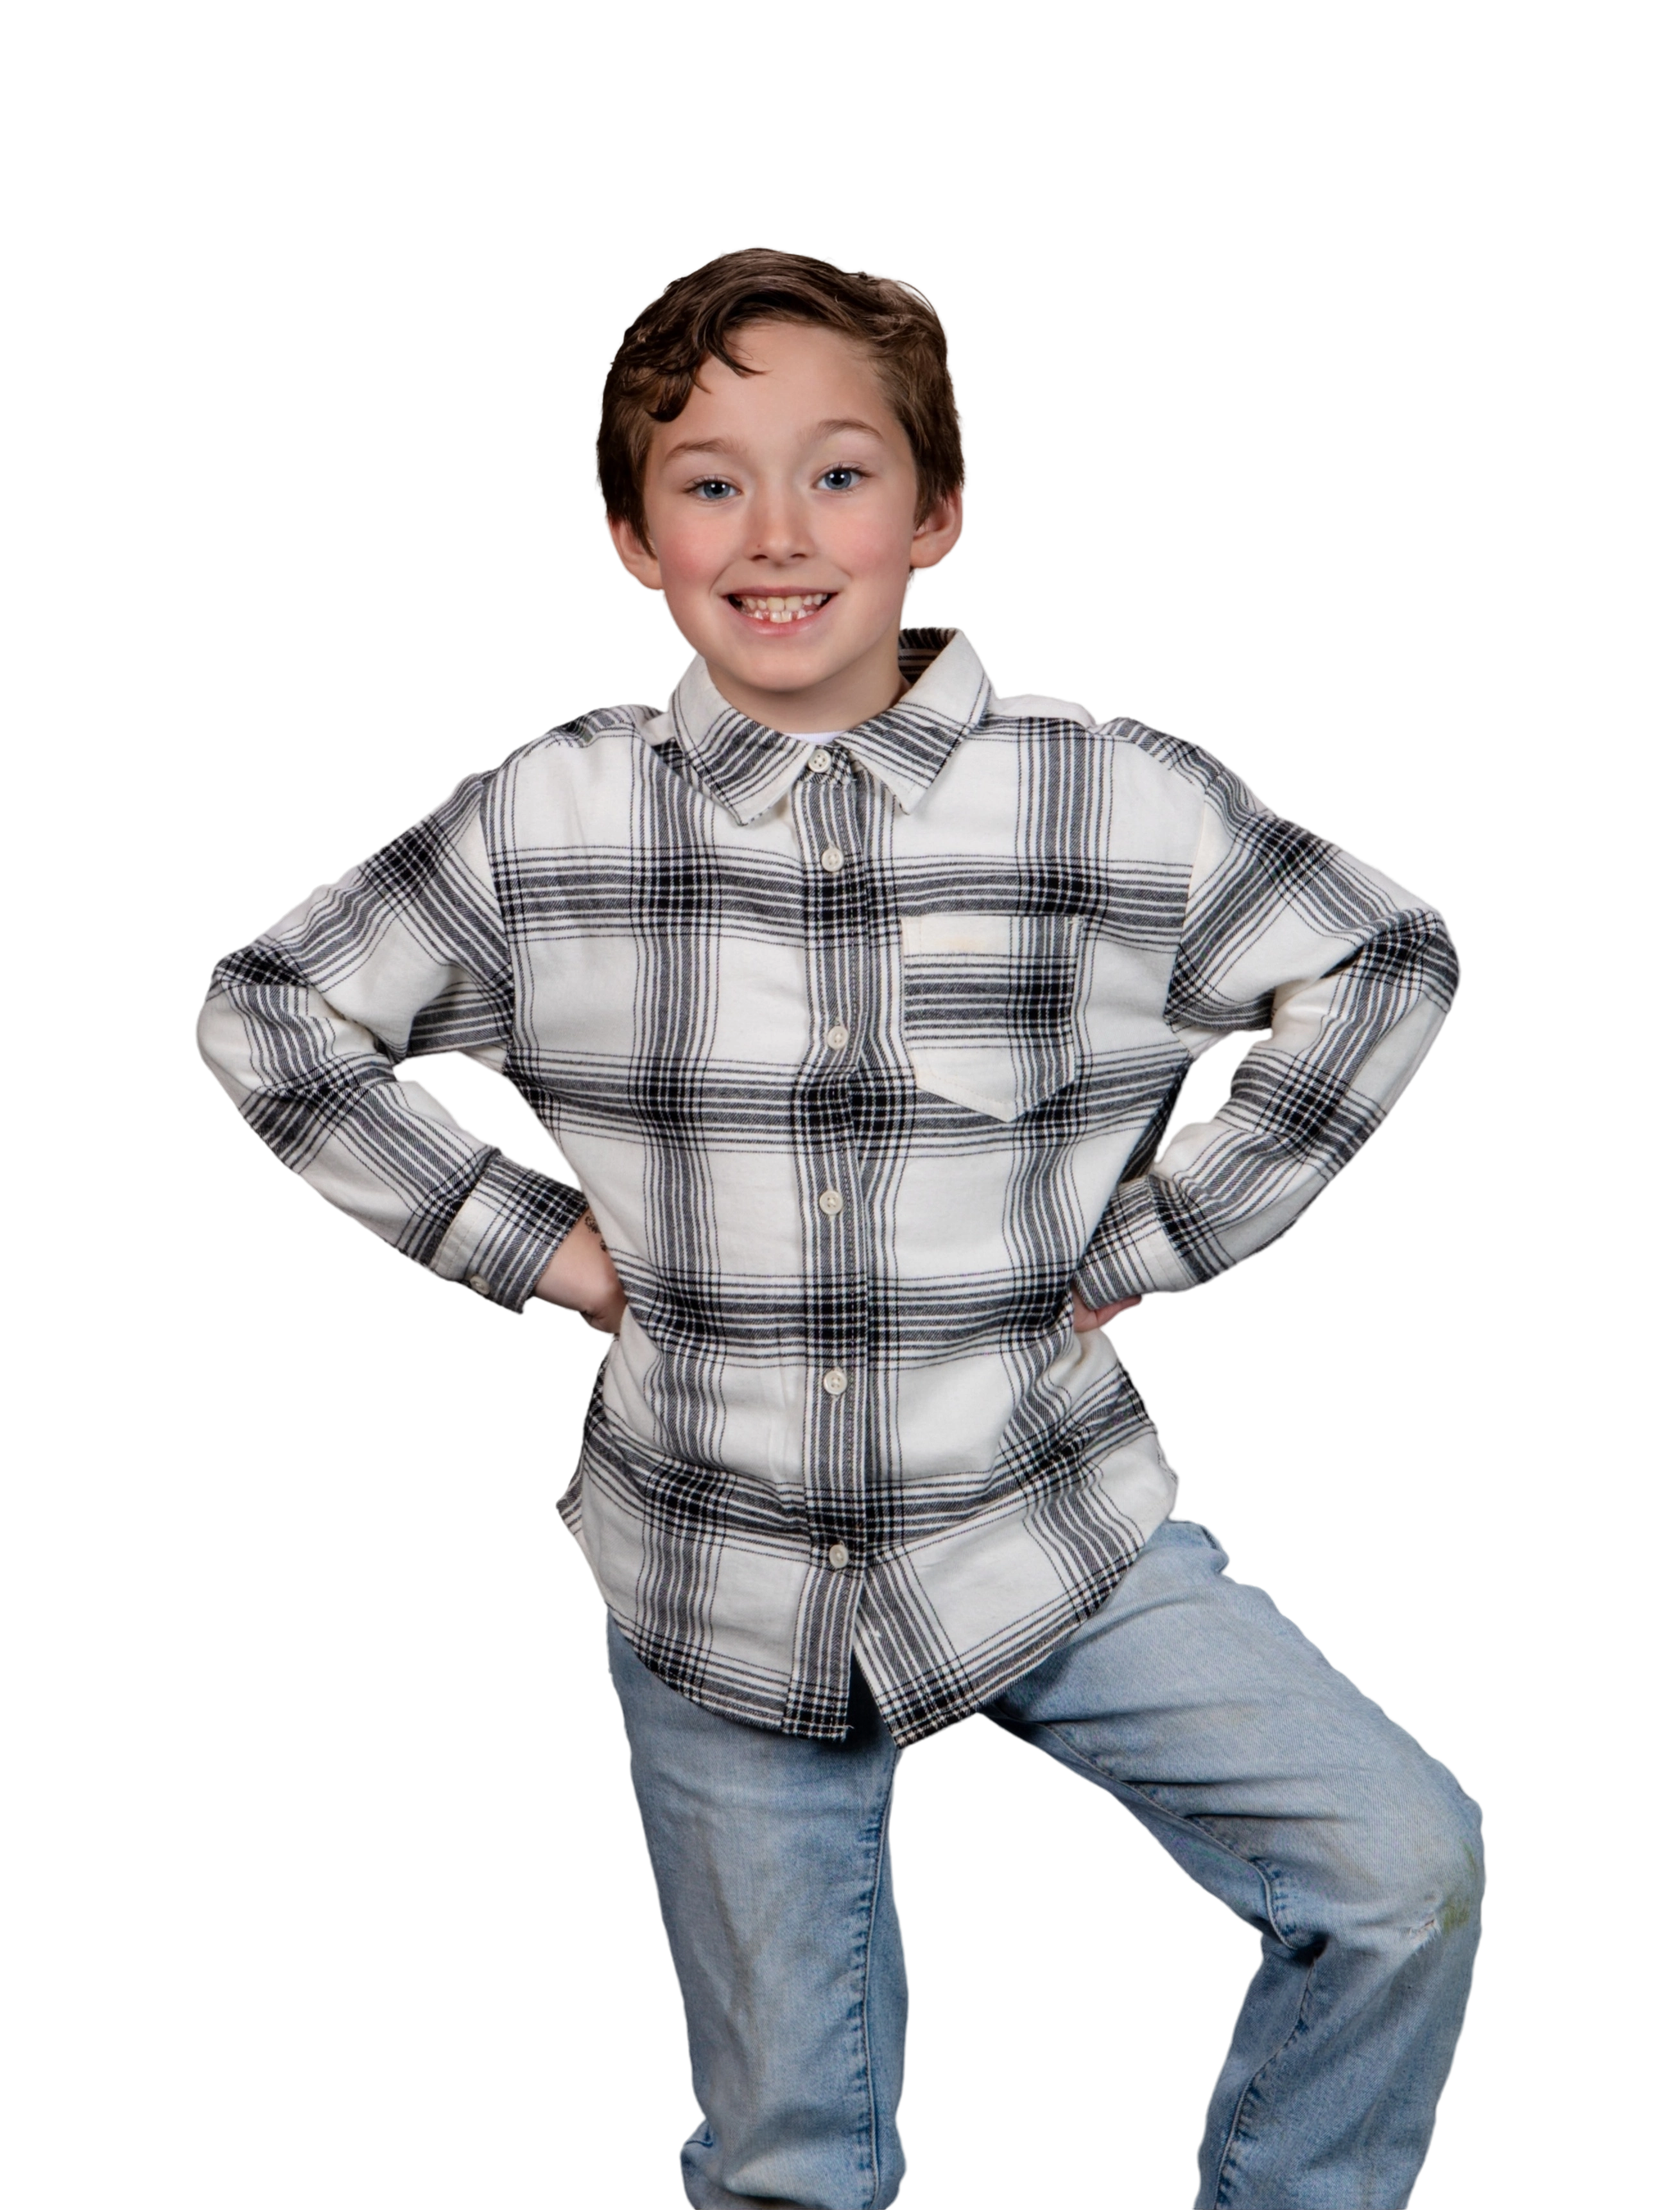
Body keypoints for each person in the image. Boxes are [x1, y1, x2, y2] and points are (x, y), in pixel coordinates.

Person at [194, 245, 1485, 2210]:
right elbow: (273, 1010)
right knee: (791, 2153)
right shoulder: (549, 817)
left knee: (1398, 1866)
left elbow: (1383, 958)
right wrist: (531, 1247)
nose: (777, 534)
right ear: (634, 538)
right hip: (714, 1568)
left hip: (1040, 1519)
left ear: (937, 513)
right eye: (711, 483)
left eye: (841, 474)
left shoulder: (1110, 801)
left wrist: (1168, 1238)